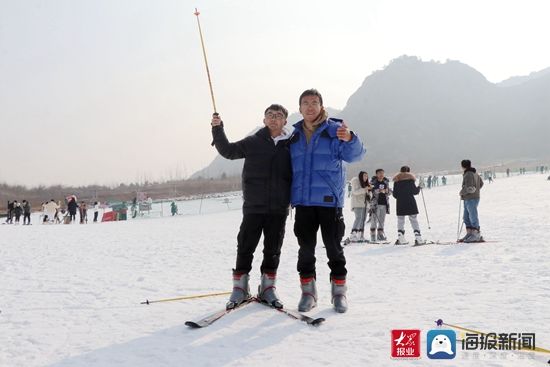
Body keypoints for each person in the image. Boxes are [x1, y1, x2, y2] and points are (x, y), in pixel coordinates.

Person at [289, 89, 365, 313]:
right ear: (300, 108)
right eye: (305, 103)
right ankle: (308, 292)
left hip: (329, 202)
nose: (310, 106)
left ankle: (339, 293)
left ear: (322, 106)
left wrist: (351, 138)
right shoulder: (293, 135)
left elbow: (356, 155)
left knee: (334, 248)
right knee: (305, 249)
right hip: (303, 203)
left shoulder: (335, 130)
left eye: (314, 102)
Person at [211, 104, 292, 310]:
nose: (274, 119)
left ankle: (267, 288)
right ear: (264, 120)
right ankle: (240, 289)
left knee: (273, 249)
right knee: (245, 246)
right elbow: (228, 151)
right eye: (270, 115)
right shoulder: (253, 141)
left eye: (279, 116)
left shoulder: (291, 144)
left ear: (285, 121)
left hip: (279, 207)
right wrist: (217, 129)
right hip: (254, 206)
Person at [392, 166, 424, 245]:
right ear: (409, 172)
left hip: (400, 203)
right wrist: (419, 187)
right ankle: (418, 238)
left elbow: (395, 195)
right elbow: (415, 192)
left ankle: (401, 238)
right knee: (413, 219)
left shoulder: (396, 181)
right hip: (410, 202)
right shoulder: (410, 180)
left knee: (400, 220)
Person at [459, 159, 484, 242]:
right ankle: (470, 233)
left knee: (473, 216)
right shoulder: (474, 173)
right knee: (466, 217)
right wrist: (476, 191)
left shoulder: (469, 174)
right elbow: (481, 184)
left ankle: (476, 234)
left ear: (463, 166)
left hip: (471, 198)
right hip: (469, 198)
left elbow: (470, 188)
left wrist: (462, 192)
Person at [348, 171, 371, 242]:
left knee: (363, 219)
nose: (366, 177)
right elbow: (355, 192)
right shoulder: (356, 182)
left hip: (365, 204)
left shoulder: (367, 184)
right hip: (357, 204)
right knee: (358, 218)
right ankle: (353, 233)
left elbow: (369, 195)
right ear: (360, 176)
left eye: (367, 176)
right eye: (364, 176)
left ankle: (360, 234)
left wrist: (369, 193)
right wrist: (365, 189)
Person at [369, 169, 391, 242]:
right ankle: (372, 235)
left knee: (382, 220)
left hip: (384, 203)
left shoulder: (386, 182)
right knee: (374, 220)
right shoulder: (373, 182)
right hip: (376, 204)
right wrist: (378, 190)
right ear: (376, 174)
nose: (381, 174)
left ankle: (380, 234)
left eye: (382, 173)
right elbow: (370, 191)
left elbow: (389, 192)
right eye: (379, 173)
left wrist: (387, 191)